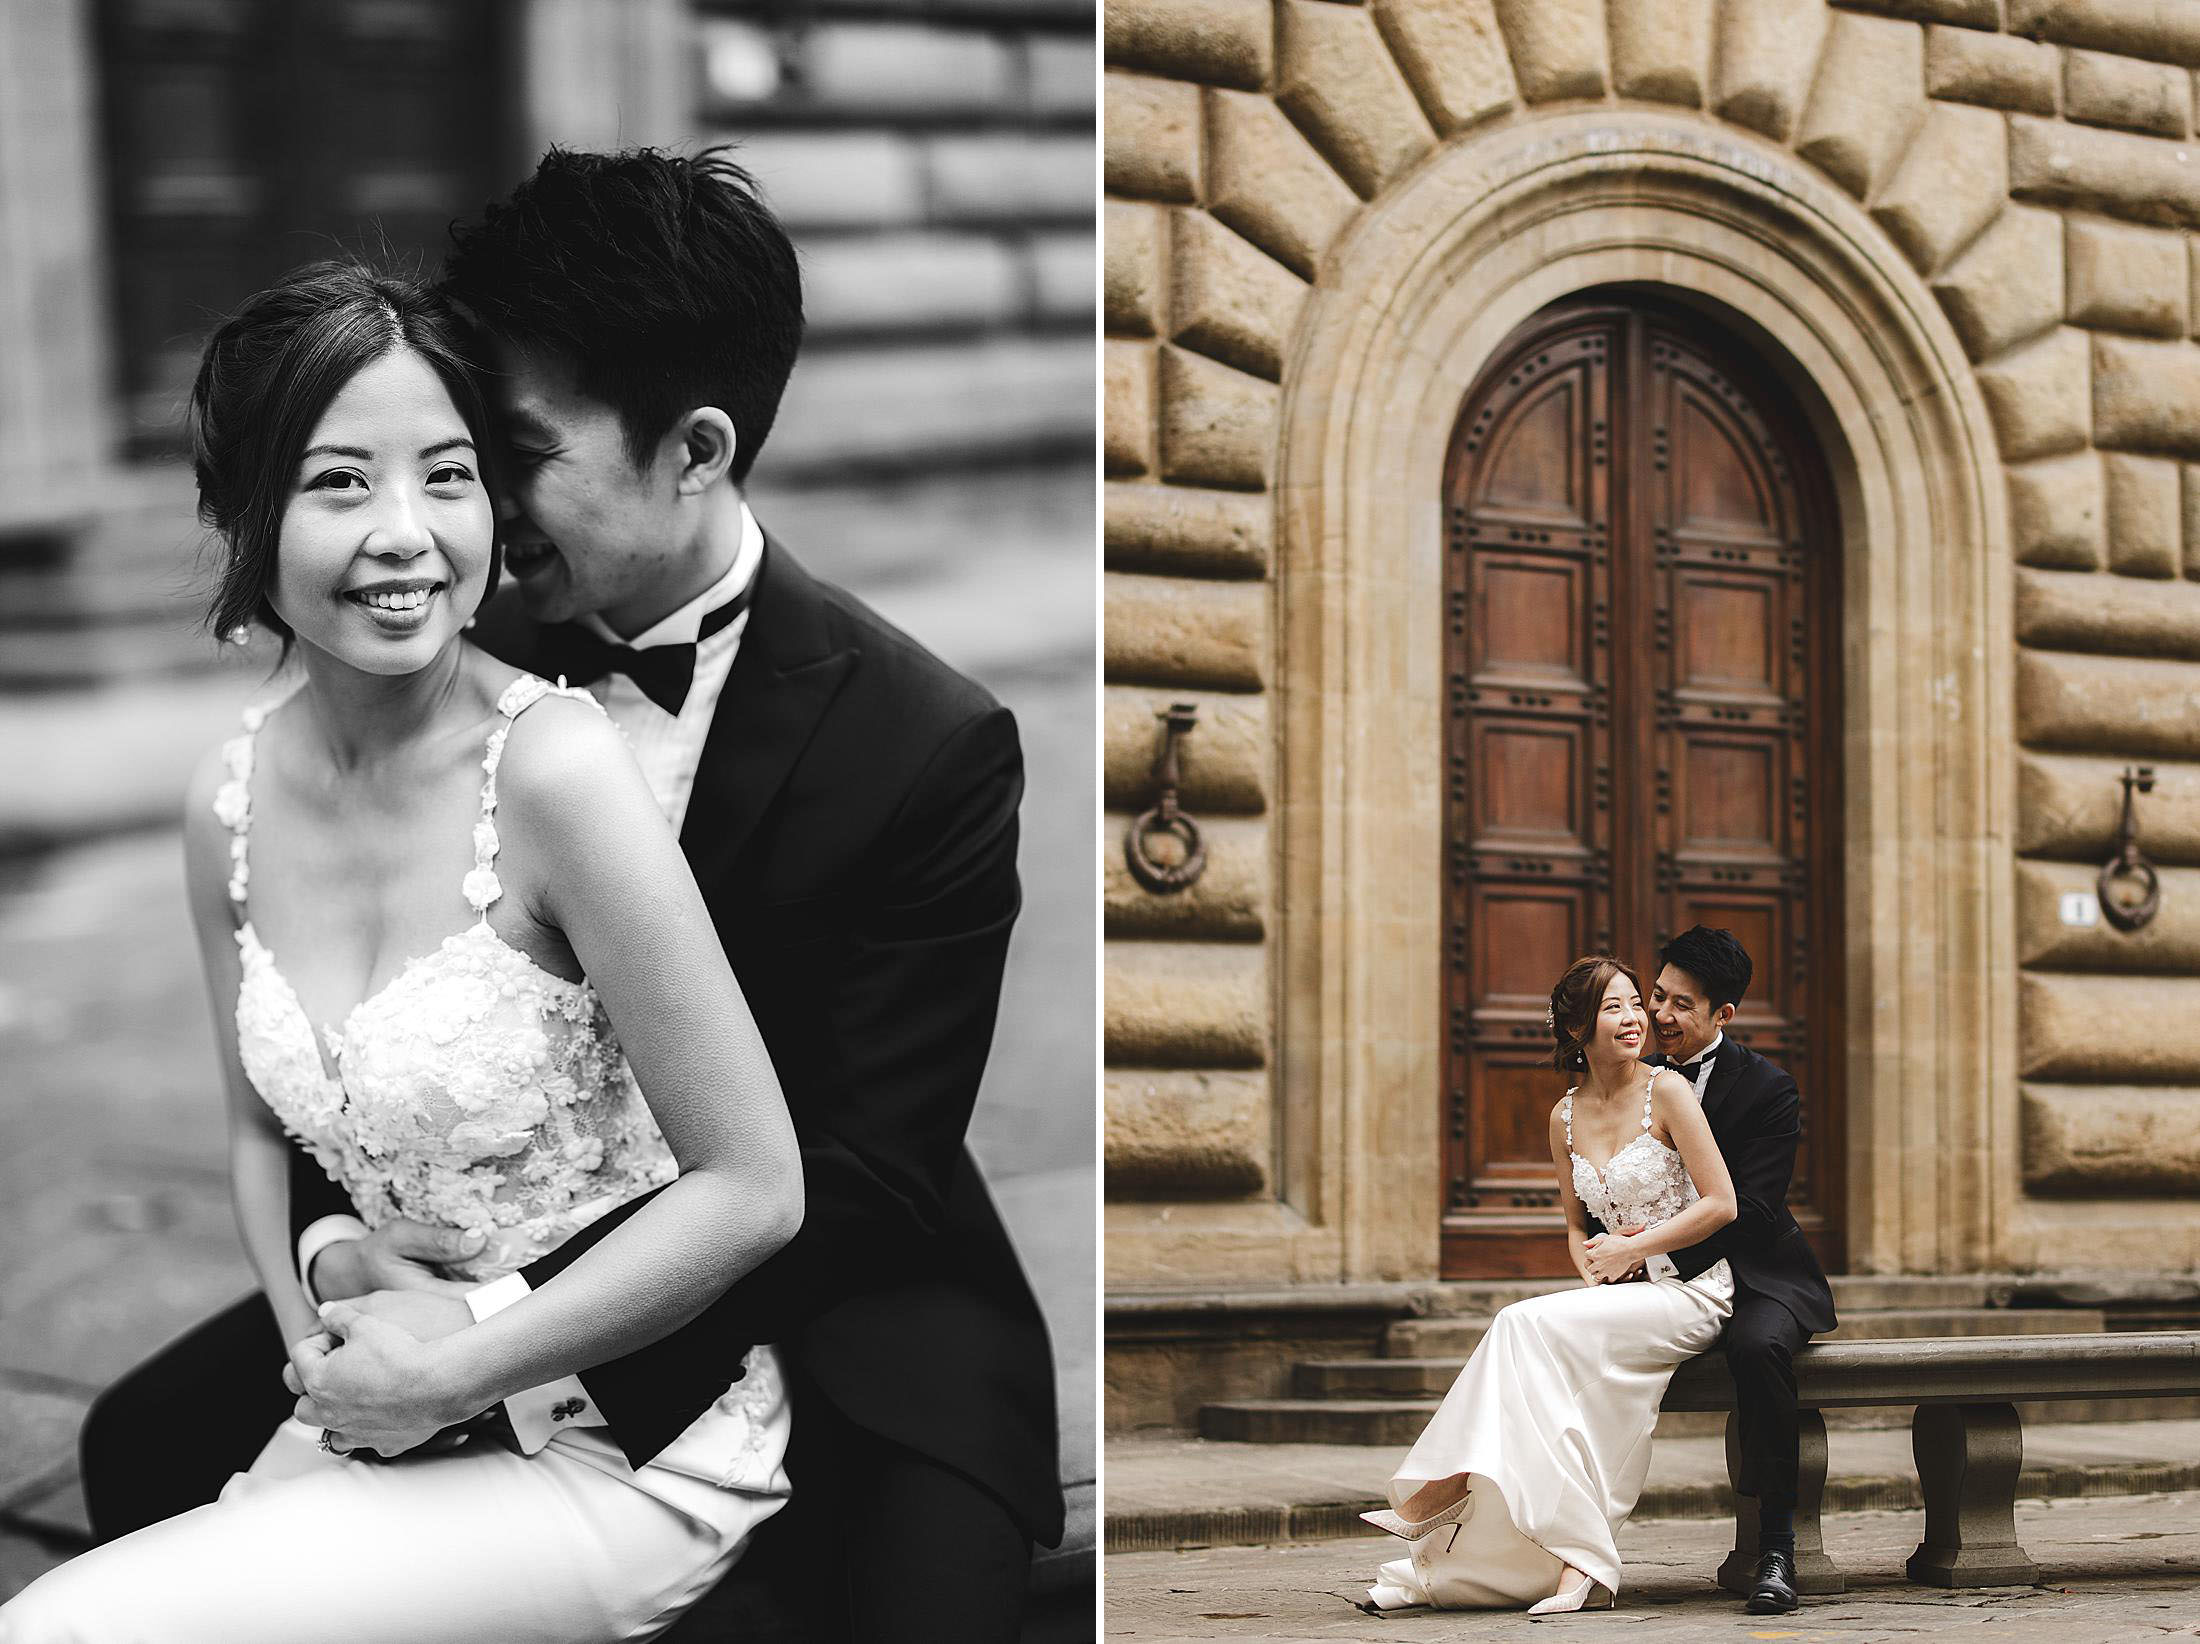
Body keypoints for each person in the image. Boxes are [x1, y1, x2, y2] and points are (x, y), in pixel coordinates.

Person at [75, 149, 1064, 1642]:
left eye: (503, 457)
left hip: (828, 1300)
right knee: (137, 1445)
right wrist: (349, 1265)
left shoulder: (923, 744)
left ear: (697, 450)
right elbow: (325, 1045)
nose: (450, 518)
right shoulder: (437, 636)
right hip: (477, 1228)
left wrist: (482, 1339)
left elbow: (850, 1179)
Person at [3, 261, 805, 1642]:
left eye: (446, 476)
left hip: (622, 1443)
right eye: (337, 483)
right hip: (381, 1403)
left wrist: (460, 1367)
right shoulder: (227, 800)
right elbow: (261, 1136)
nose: (407, 536)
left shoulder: (557, 772)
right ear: (244, 513)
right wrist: (322, 1312)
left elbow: (754, 1186)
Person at [1359, 955, 1738, 1616]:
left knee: (1518, 1323)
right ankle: (1562, 1563)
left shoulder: (1669, 1091)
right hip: (1621, 1300)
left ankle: (1443, 1486)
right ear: (1577, 1031)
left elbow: (1721, 1204)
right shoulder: (1564, 1116)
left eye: (1632, 1003)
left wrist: (1633, 1247)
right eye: (1612, 1008)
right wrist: (1591, 1266)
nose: (1632, 1019)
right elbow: (1574, 1225)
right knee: (1547, 1405)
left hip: (1694, 1291)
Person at [1641, 925, 1837, 1614]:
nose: (1659, 1015)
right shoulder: (1627, 1078)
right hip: (1653, 1277)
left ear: (1723, 1014)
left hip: (1760, 1274)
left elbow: (1751, 1209)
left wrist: (1656, 1247)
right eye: (1656, 995)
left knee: (1756, 1350)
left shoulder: (1769, 1089)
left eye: (1681, 1005)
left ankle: (1776, 1549)